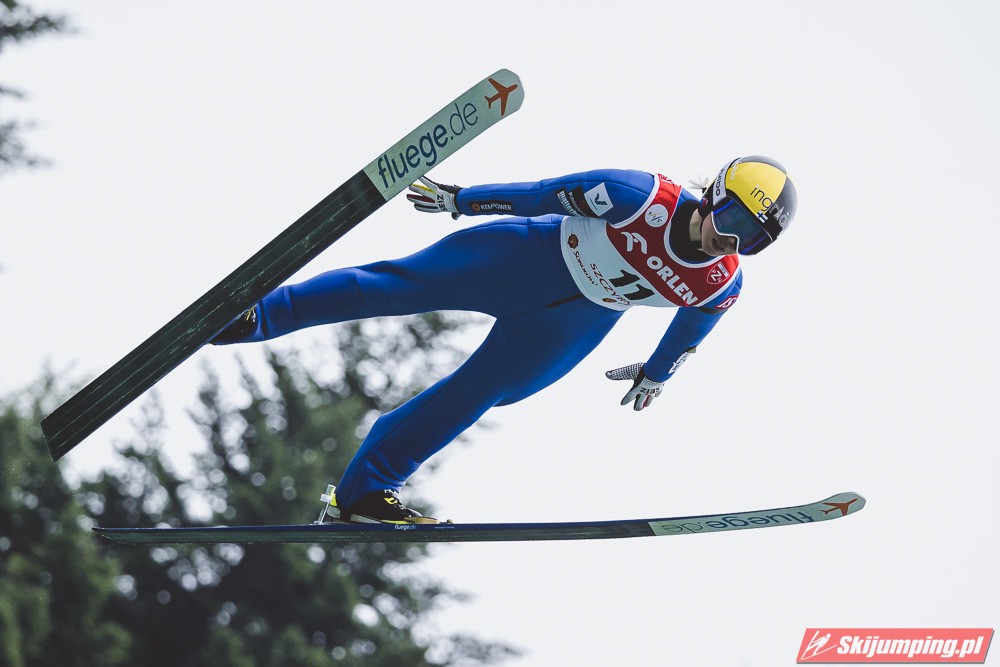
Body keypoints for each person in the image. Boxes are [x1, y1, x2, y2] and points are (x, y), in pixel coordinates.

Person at [212, 156, 798, 524]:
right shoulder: (637, 196)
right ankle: (257, 316)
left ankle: (365, 494)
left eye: (750, 241)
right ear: (713, 195)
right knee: (392, 288)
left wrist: (657, 372)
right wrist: (461, 200)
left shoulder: (721, 282)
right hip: (526, 258)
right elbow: (542, 193)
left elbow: (694, 325)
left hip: (573, 322)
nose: (730, 243)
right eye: (733, 222)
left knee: (478, 394)